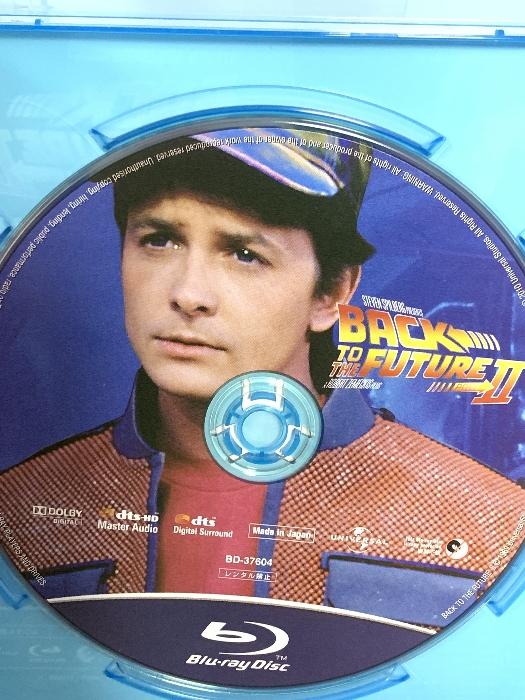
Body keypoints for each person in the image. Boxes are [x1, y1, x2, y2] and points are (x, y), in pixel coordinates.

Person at [0, 128, 524, 633]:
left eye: (245, 254)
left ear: (330, 293)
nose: (188, 294)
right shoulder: (21, 504)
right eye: (159, 240)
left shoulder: (491, 520)